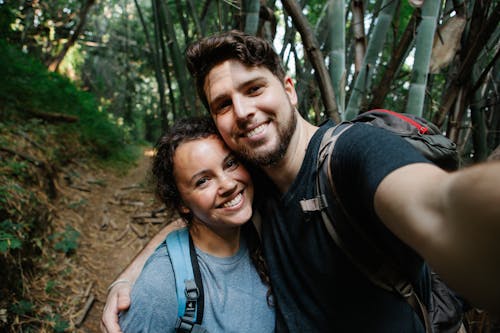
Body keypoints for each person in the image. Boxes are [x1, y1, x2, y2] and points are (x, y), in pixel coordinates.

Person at [102, 30, 500, 332]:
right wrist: (128, 277)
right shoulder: (250, 180)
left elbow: (440, 206)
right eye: (223, 104)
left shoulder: (351, 155)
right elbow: (191, 219)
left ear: (289, 90)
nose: (243, 112)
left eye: (254, 89)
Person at [118, 117, 275, 332]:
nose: (228, 185)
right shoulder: (161, 286)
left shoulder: (265, 233)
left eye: (230, 164)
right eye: (203, 181)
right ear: (182, 203)